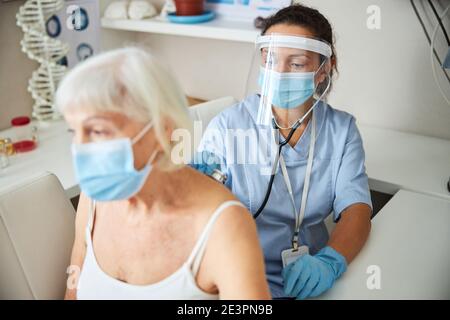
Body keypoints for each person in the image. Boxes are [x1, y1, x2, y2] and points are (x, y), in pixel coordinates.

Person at [57, 47, 270, 300]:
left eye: (98, 131)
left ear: (162, 129)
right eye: (74, 131)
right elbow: (74, 290)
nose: (80, 148)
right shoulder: (94, 197)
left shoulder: (223, 226)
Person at [198, 4, 372, 299]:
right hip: (238, 276)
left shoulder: (342, 131)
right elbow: (202, 210)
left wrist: (330, 263)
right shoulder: (229, 126)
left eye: (296, 64)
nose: (279, 73)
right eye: (271, 60)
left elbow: (356, 209)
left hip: (313, 273)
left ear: (323, 70)